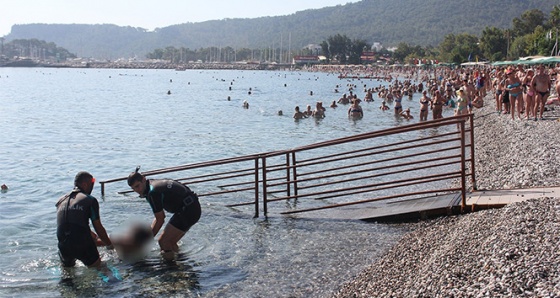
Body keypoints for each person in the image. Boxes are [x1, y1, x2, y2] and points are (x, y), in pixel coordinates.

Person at [127, 168, 201, 260]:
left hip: (188, 210)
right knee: (170, 242)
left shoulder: (153, 192)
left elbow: (160, 219)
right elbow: (158, 217)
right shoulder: (151, 184)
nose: (136, 190)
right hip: (191, 206)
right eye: (133, 188)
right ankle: (180, 264)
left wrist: (145, 241)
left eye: (137, 186)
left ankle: (171, 270)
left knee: (164, 242)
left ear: (143, 179)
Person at [56, 171, 113, 269]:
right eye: (92, 184)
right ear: (85, 184)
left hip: (63, 245)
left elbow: (69, 224)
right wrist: (109, 245)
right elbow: (98, 227)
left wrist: (91, 234)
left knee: (68, 275)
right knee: (100, 268)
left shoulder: (60, 201)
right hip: (82, 244)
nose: (92, 187)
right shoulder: (90, 200)